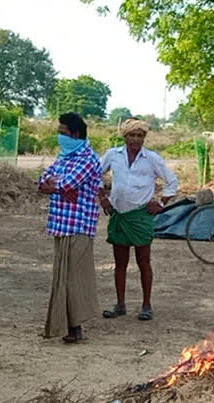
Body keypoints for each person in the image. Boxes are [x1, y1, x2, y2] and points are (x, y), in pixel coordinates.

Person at [99, 118, 179, 321]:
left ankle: (146, 305)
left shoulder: (151, 158)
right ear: (124, 137)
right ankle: (120, 304)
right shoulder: (113, 155)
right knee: (120, 263)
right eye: (132, 135)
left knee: (143, 261)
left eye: (140, 136)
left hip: (141, 215)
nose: (136, 139)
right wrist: (102, 198)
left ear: (144, 138)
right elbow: (94, 174)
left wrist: (161, 202)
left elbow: (172, 181)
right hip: (119, 214)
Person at [37, 112, 102, 343]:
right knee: (62, 277)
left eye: (63, 132)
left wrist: (55, 186)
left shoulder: (88, 158)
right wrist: (53, 186)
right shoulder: (65, 157)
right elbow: (43, 179)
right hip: (61, 224)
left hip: (79, 225)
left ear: (75, 134)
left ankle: (75, 326)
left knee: (75, 278)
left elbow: (67, 182)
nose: (59, 136)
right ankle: (65, 325)